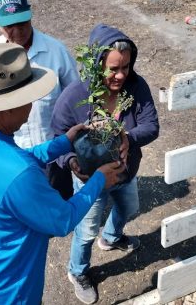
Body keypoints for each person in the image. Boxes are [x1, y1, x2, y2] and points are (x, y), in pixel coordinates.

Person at [0, 43, 125, 304]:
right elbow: (62, 220)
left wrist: (64, 142)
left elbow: (7, 168)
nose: (31, 108)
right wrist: (98, 180)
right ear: (7, 107)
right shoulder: (19, 175)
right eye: (28, 100)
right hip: (8, 292)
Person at [51, 23, 160, 304]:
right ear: (97, 63)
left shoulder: (137, 87)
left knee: (129, 207)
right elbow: (57, 135)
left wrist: (128, 137)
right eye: (113, 68)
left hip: (125, 172)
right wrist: (72, 160)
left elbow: (151, 126)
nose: (120, 75)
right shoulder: (75, 96)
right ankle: (78, 271)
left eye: (125, 66)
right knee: (86, 230)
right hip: (90, 180)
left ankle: (111, 238)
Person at [0, 0, 78, 198]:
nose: (18, 31)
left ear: (30, 15)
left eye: (22, 22)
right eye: (9, 26)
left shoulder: (56, 51)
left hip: (54, 152)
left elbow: (76, 96)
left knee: (57, 203)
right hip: (12, 154)